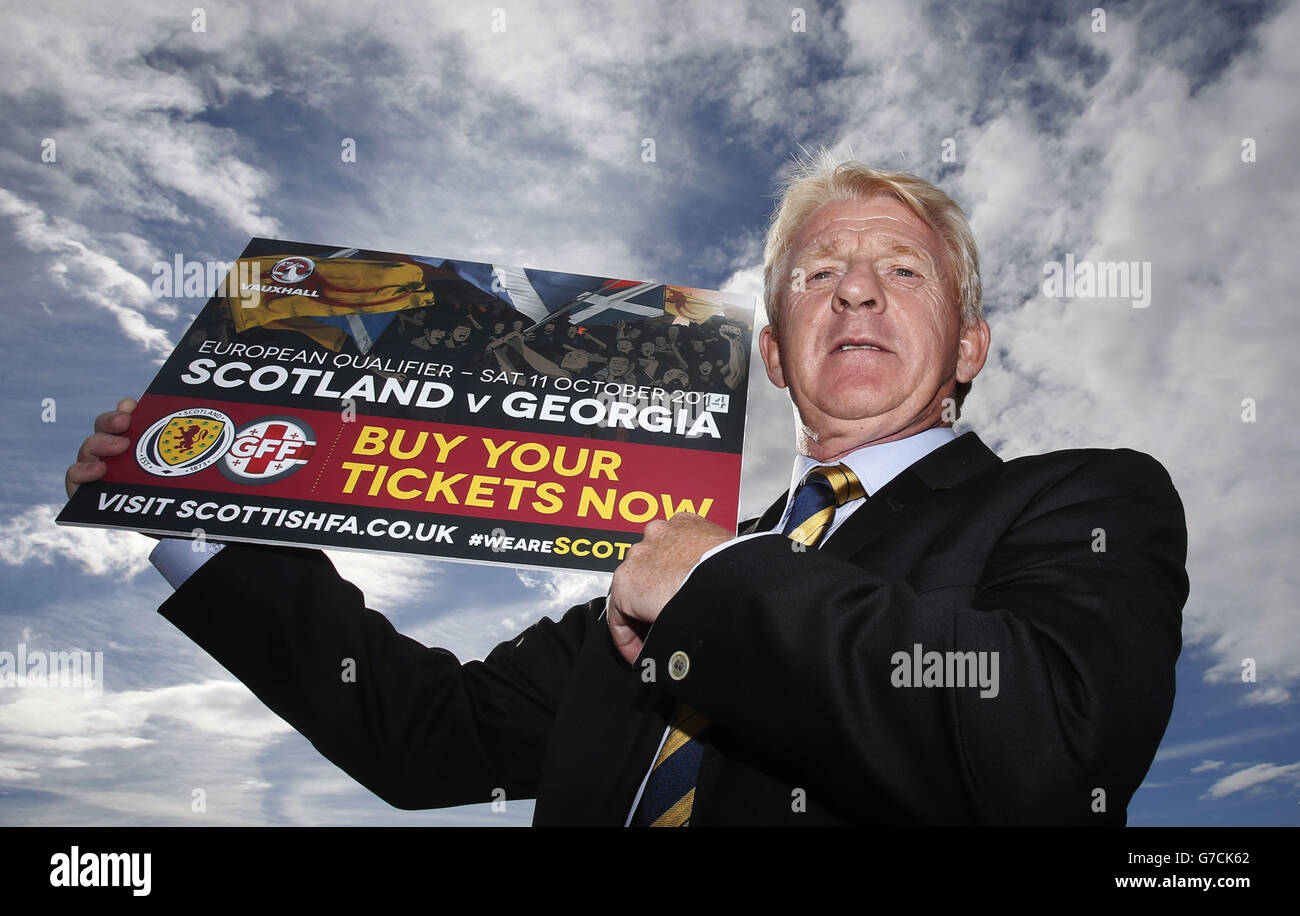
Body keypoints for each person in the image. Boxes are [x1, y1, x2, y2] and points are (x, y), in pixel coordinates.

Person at [64, 156, 1187, 826]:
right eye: (816, 274)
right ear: (780, 355)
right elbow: (422, 735)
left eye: (901, 271)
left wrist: (707, 579)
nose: (854, 293)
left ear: (968, 345)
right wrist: (208, 518)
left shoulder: (1087, 501)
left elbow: (1051, 751)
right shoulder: (653, 574)